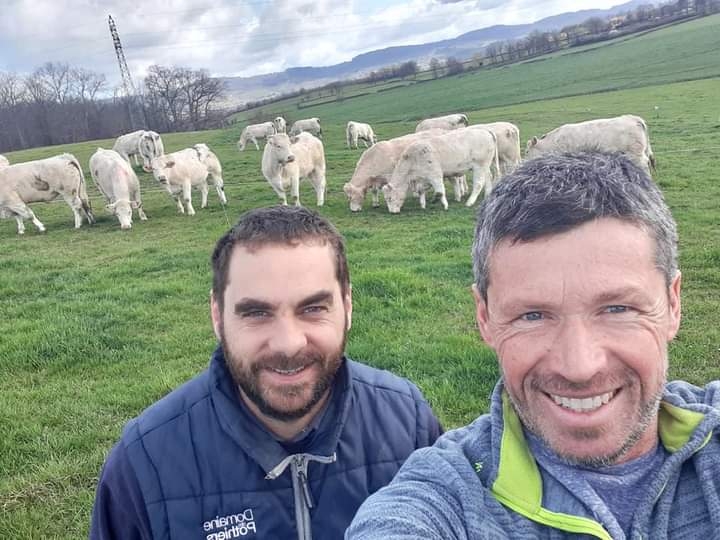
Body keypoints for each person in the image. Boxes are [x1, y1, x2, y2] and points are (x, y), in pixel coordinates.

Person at [347, 152, 720, 539]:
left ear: (673, 304)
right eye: (533, 316)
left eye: (617, 308)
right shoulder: (444, 494)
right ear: (484, 318)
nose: (579, 366)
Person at [90, 205, 442, 540]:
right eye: (256, 313)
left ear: (347, 306)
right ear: (217, 316)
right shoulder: (143, 462)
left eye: (313, 308)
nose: (288, 344)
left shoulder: (409, 424)